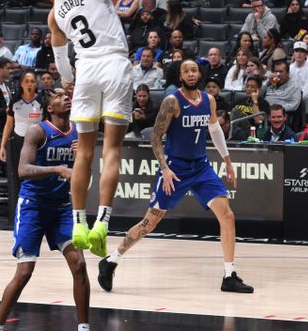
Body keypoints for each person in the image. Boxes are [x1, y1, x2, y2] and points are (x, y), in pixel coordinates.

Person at [38, 0, 134, 257]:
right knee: (112, 151)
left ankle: (78, 224)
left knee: (85, 152)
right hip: (113, 63)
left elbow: (61, 61)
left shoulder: (54, 11)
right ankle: (103, 224)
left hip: (86, 69)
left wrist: (68, 81)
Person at [97, 59, 253, 293]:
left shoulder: (208, 100)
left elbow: (214, 130)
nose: (191, 74)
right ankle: (111, 260)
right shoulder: (172, 102)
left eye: (194, 70)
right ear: (180, 76)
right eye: (186, 71)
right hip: (175, 168)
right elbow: (155, 137)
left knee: (227, 215)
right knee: (150, 223)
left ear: (199, 74)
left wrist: (227, 161)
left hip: (201, 167)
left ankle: (229, 275)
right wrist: (165, 169)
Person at [0, 87, 96, 331]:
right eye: (58, 96)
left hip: (61, 209)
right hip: (33, 206)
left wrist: (83, 157)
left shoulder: (79, 135)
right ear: (49, 107)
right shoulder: (38, 131)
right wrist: (57, 168)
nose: (65, 97)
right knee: (24, 273)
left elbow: (83, 178)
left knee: (79, 265)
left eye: (67, 95)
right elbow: (22, 171)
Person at [0, 71, 43, 222]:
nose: (29, 84)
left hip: (37, 143)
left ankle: (36, 212)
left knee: (36, 177)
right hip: (17, 142)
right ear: (21, 84)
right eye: (27, 81)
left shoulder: (42, 101)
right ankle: (17, 214)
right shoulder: (15, 102)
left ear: (36, 84)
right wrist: (2, 146)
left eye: (32, 81)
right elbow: (8, 124)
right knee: (16, 178)